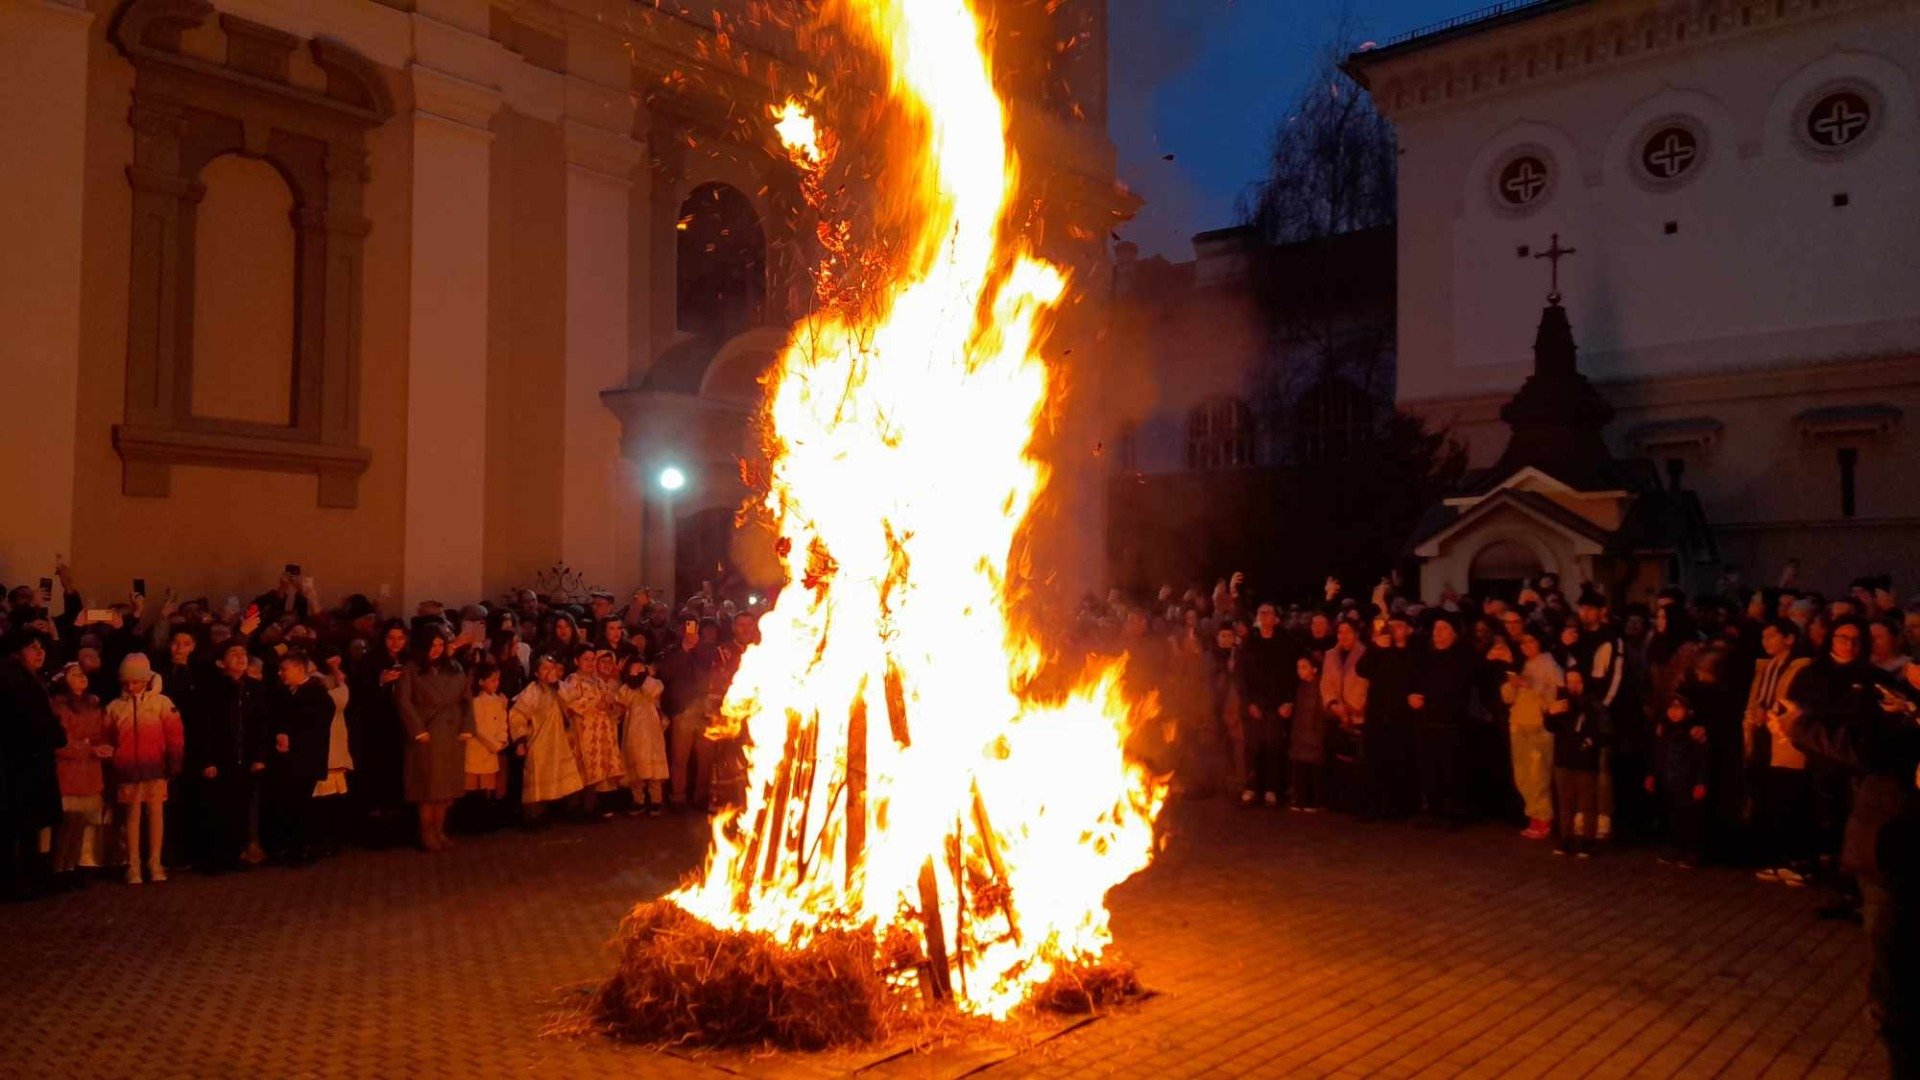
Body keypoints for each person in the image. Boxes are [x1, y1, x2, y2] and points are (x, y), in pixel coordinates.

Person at [1783, 658, 1920, 1074]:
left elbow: (1872, 750)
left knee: (1894, 988)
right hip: (1887, 852)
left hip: (1898, 857)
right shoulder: (1900, 699)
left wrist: (1800, 729)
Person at [104, 654, 185, 885]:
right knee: (132, 816)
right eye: (127, 683)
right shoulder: (115, 707)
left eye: (136, 682)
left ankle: (155, 861)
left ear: (146, 680)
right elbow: (108, 739)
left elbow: (174, 736)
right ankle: (133, 864)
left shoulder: (161, 703)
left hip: (155, 767)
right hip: (128, 770)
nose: (131, 687)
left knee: (156, 814)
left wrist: (174, 761)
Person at [1746, 620, 1813, 886]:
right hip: (1764, 737)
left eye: (1772, 636)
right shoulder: (1766, 666)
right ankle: (1775, 856)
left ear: (1789, 638)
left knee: (1789, 796)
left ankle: (1797, 859)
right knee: (1769, 796)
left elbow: (1797, 703)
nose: (1766, 642)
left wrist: (1772, 713)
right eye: (1764, 637)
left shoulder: (1802, 668)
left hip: (1785, 739)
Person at [191, 639, 267, 873]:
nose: (241, 658)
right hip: (221, 758)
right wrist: (207, 759)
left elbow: (262, 725)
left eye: (243, 654)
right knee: (218, 808)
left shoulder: (254, 688)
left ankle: (237, 854)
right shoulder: (212, 689)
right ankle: (216, 857)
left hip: (245, 756)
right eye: (234, 654)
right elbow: (204, 727)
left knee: (240, 807)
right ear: (221, 662)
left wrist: (260, 755)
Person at [395, 622, 472, 851]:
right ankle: (426, 832)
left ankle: (440, 829)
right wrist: (418, 729)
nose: (437, 649)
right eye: (432, 645)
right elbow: (404, 701)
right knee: (428, 788)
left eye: (440, 644)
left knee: (446, 789)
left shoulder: (454, 667)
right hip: (428, 733)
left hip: (451, 732)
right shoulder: (411, 670)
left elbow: (466, 698)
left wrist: (467, 726)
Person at [0, 630, 64, 900]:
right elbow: (33, 724)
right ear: (17, 652)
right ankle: (16, 881)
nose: (39, 652)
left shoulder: (29, 681)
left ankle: (26, 877)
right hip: (19, 765)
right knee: (18, 824)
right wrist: (55, 732)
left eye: (42, 647)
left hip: (27, 764)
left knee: (25, 825)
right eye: (32, 647)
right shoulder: (15, 683)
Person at [267, 651, 334, 866]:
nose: (280, 673)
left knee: (301, 804)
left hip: (305, 760)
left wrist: (290, 734)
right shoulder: (281, 692)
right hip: (285, 761)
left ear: (299, 669)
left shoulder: (317, 695)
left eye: (284, 669)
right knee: (287, 803)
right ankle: (288, 847)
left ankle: (301, 848)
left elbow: (315, 726)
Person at [1410, 614, 1477, 823]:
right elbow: (1416, 682)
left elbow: (1460, 689)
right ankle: (1433, 807)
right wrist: (1413, 696)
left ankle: (1454, 810)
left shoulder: (1464, 658)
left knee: (1452, 768)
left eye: (1444, 629)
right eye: (1436, 629)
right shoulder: (1427, 658)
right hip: (1428, 721)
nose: (1438, 634)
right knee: (1430, 766)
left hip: (1452, 722)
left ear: (1455, 634)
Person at [49, 663, 111, 888]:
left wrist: (103, 746)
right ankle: (59, 868)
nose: (81, 678)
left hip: (89, 771)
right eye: (75, 675)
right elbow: (60, 742)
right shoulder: (59, 708)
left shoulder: (94, 705)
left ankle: (72, 866)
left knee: (81, 822)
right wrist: (86, 748)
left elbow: (101, 734)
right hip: (69, 771)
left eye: (82, 674)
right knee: (66, 822)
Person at [1501, 632, 1561, 840]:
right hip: (1518, 724)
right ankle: (1533, 816)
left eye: (1531, 640)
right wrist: (1512, 684)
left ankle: (1543, 819)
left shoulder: (1549, 665)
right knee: (1523, 775)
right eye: (1523, 642)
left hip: (1537, 726)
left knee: (1539, 775)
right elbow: (1507, 697)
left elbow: (1555, 696)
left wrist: (1532, 687)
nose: (1526, 645)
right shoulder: (1523, 664)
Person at [1236, 603, 1296, 806]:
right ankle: (1252, 787)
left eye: (1268, 612)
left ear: (1275, 618)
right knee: (1253, 747)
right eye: (1260, 612)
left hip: (1276, 704)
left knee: (1273, 746)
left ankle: (1272, 789)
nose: (1263, 615)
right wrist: (1248, 703)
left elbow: (1290, 674)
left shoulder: (1285, 643)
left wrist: (1288, 701)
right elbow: (1241, 676)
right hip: (1255, 704)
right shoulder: (1249, 643)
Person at [509, 653, 582, 820]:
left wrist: (556, 686)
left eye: (552, 668)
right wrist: (520, 740)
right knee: (538, 776)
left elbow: (573, 700)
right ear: (536, 673)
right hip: (540, 741)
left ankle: (570, 809)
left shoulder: (562, 687)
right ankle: (534, 814)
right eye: (544, 668)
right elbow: (517, 715)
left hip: (561, 740)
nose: (549, 671)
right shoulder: (532, 691)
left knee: (566, 774)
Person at [657, 618, 720, 811]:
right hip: (683, 711)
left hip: (705, 710)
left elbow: (711, 666)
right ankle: (678, 796)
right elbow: (665, 671)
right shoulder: (671, 651)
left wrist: (696, 646)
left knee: (705, 757)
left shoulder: (709, 649)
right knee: (679, 757)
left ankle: (701, 795)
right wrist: (684, 648)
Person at [1546, 669, 1609, 857]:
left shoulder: (1594, 705)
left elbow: (1605, 732)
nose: (1573, 685)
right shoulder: (1562, 704)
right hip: (1563, 761)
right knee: (1565, 803)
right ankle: (1566, 839)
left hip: (1585, 762)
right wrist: (1550, 712)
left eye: (1578, 681)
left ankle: (1588, 841)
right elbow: (1550, 726)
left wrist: (1592, 741)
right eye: (1570, 681)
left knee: (1587, 803)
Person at [560, 647, 625, 818]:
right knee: (582, 766)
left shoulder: (598, 682)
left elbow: (611, 702)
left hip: (600, 731)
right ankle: (577, 808)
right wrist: (594, 704)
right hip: (582, 731)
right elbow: (568, 703)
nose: (590, 663)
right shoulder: (573, 680)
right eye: (585, 659)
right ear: (577, 661)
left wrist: (610, 707)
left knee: (598, 767)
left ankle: (593, 805)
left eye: (592, 659)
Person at [1649, 692, 1711, 869]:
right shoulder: (1665, 731)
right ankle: (1677, 848)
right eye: (1671, 707)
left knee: (1690, 819)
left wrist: (1700, 782)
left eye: (1678, 707)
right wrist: (1653, 775)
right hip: (1670, 781)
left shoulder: (1695, 733)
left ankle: (1693, 852)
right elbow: (1658, 756)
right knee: (1673, 816)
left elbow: (1702, 760)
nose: (1674, 712)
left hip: (1688, 782)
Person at [310, 648, 354, 856]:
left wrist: (335, 672)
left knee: (333, 799)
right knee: (321, 800)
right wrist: (336, 673)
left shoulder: (330, 690)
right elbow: (341, 696)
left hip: (334, 751)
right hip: (323, 754)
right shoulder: (319, 692)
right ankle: (321, 840)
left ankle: (331, 838)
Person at [616, 655, 669, 816]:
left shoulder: (653, 683)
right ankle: (638, 800)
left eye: (641, 665)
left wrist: (643, 678)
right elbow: (622, 701)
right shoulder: (625, 688)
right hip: (633, 732)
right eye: (634, 666)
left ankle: (656, 801)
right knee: (635, 767)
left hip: (652, 731)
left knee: (654, 770)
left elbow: (654, 691)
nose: (638, 669)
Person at [461, 662, 509, 823]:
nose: (496, 683)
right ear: (481, 681)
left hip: (492, 750)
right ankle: (471, 820)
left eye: (498, 680)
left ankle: (486, 818)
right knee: (473, 783)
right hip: (477, 748)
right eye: (492, 680)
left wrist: (503, 739)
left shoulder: (498, 701)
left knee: (488, 784)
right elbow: (477, 728)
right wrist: (494, 745)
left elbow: (503, 721)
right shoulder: (475, 702)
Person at [1286, 654, 1328, 811]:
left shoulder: (1320, 686)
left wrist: (1317, 731)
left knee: (1314, 768)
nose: (1300, 671)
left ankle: (1314, 800)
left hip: (1314, 732)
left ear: (1314, 669)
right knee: (1301, 766)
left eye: (1304, 667)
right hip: (1301, 732)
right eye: (1298, 667)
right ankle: (1301, 798)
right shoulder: (1300, 687)